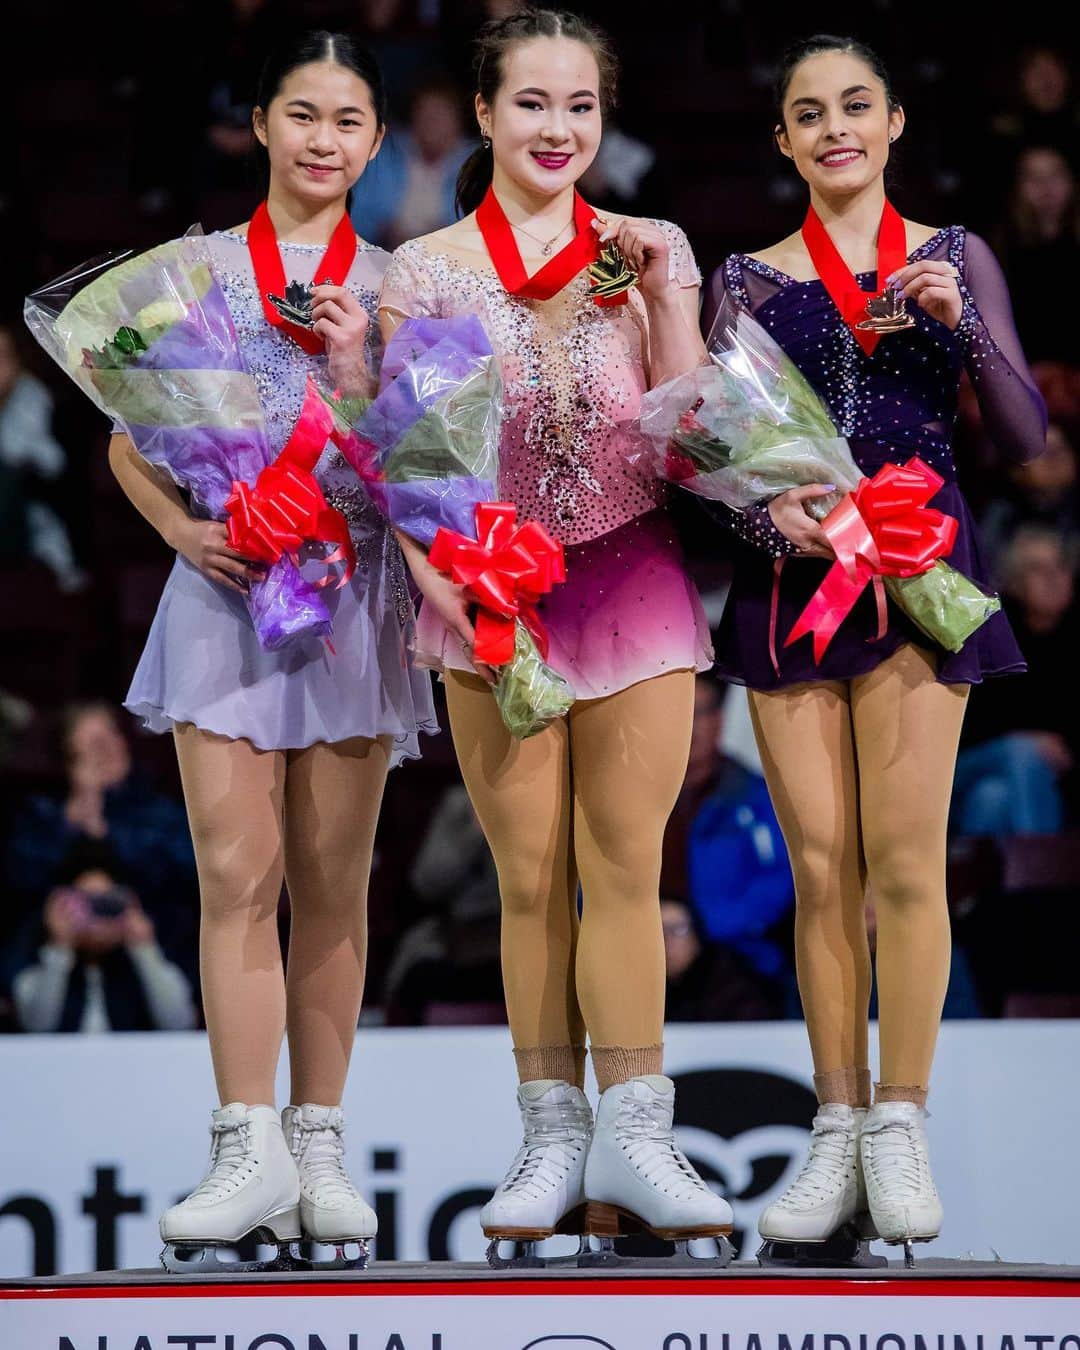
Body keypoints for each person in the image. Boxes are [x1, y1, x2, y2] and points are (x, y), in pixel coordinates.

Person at [378, 8, 730, 1249]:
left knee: (626, 869)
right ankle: (548, 1137)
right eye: (532, 103)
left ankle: (639, 1133)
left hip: (631, 574)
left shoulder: (651, 248)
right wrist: (446, 587)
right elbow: (417, 461)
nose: (558, 128)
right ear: (483, 114)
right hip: (491, 588)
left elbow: (693, 438)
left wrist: (672, 297)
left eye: (580, 105)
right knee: (528, 879)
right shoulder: (425, 268)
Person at [705, 34, 1046, 1259]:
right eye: (809, 112)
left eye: (856, 105)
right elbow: (718, 453)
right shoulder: (745, 279)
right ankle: (836, 1122)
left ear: (895, 121)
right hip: (794, 582)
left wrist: (964, 336)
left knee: (905, 863)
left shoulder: (954, 257)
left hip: (918, 578)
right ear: (786, 142)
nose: (834, 126)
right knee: (820, 868)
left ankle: (901, 1123)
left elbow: (1024, 433)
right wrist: (766, 511)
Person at [106, 31, 436, 1267]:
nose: (322, 141)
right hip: (228, 598)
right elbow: (129, 442)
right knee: (237, 881)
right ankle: (244, 1149)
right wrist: (185, 533)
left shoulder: (406, 281)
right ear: (257, 123)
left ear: (375, 140)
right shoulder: (189, 270)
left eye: (348, 121)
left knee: (334, 889)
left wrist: (366, 366)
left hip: (352, 600)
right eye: (301, 114)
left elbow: (429, 464)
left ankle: (322, 1149)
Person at [5, 701, 196, 920]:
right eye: (96, 744)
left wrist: (102, 830)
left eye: (113, 735)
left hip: (154, 936)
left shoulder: (159, 809)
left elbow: (183, 875)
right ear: (70, 760)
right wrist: (73, 821)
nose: (110, 749)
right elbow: (21, 883)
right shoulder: (42, 814)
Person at [662, 675, 794, 983]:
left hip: (738, 961)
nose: (688, 727)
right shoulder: (629, 799)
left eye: (698, 714)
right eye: (676, 713)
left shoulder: (760, 798)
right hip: (638, 954)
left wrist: (699, 928)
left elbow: (781, 882)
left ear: (719, 720)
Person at [952, 525, 1078, 835]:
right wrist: (1032, 742)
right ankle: (1045, 876)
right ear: (1015, 581)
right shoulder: (991, 633)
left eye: (1059, 566)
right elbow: (968, 725)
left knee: (993, 799)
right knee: (1023, 753)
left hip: (1037, 778)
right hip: (972, 760)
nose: (1052, 578)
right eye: (1037, 569)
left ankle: (1006, 880)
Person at [4, 846, 197, 1034]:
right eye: (85, 904)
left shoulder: (138, 961)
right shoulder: (38, 955)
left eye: (108, 903)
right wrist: (59, 947)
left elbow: (179, 1023)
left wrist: (144, 948)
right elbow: (35, 1026)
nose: (97, 917)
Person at [661, 897, 781, 1023]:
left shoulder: (730, 981)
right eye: (660, 931)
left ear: (697, 935)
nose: (667, 941)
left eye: (677, 930)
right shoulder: (644, 984)